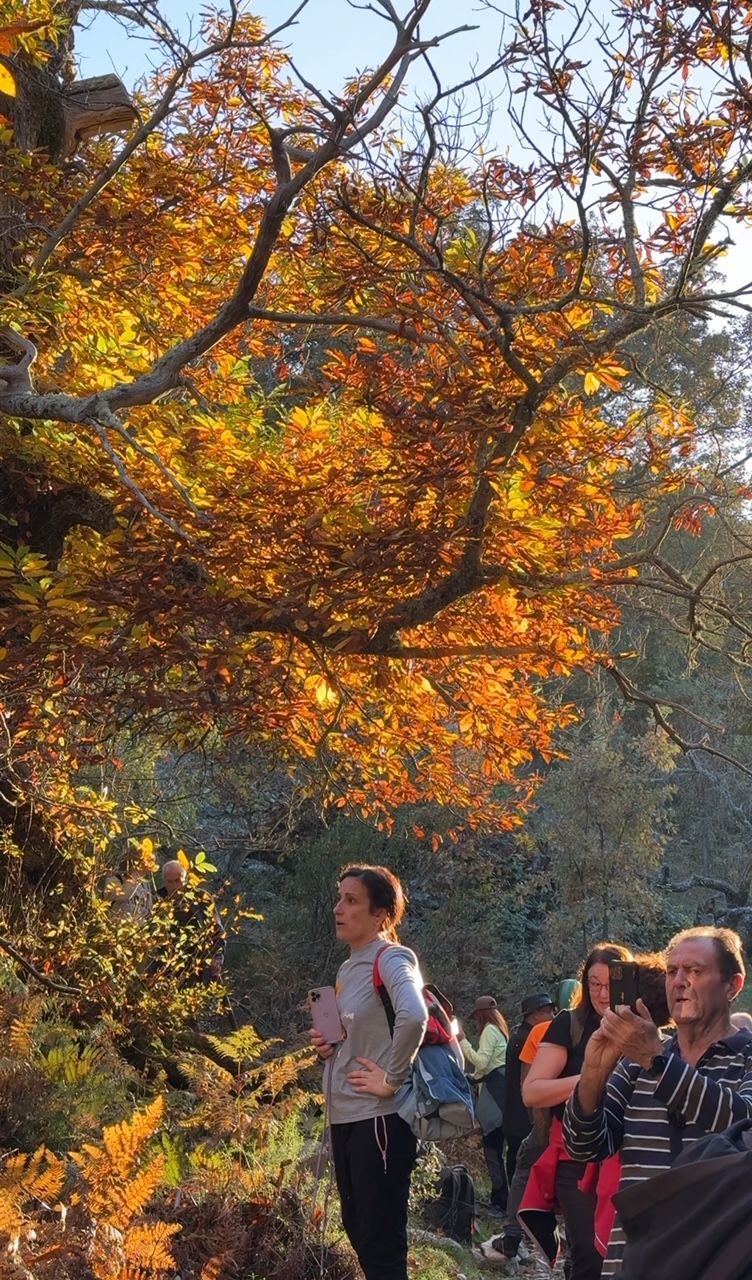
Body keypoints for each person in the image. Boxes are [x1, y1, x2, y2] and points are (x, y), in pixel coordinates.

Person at [563, 926, 752, 1276]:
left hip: (719, 1259)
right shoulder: (638, 1058)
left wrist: (657, 1063)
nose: (679, 981)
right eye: (672, 971)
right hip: (634, 1259)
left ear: (732, 986)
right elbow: (584, 1146)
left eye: (694, 971)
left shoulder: (744, 1058)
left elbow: (742, 1124)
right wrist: (592, 1074)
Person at [309, 864, 427, 1280]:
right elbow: (363, 1035)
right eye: (339, 898)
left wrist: (391, 1079)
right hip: (346, 1116)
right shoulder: (347, 969)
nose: (338, 908)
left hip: (379, 1120)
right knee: (360, 1232)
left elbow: (414, 1015)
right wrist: (330, 1048)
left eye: (351, 900)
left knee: (380, 1244)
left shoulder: (391, 958)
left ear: (380, 915)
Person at [520, 943, 633, 1280]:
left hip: (628, 1157)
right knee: (588, 1253)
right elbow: (532, 1091)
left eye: (610, 983)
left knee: (624, 1255)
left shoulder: (642, 1029)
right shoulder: (569, 1024)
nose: (601, 993)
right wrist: (591, 1078)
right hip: (575, 1159)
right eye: (594, 983)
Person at [459, 995, 510, 1215]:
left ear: (481, 1015)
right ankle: (499, 1198)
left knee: (493, 1148)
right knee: (497, 1149)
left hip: (495, 1095)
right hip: (499, 1091)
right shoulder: (499, 1030)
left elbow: (481, 1062)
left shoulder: (489, 1030)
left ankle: (501, 1201)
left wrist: (462, 1041)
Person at [156, 859, 226, 983]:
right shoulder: (157, 901)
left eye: (178, 880)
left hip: (200, 969)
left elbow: (217, 932)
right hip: (167, 971)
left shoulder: (202, 900)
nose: (174, 886)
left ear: (186, 879)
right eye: (169, 882)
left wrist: (217, 959)